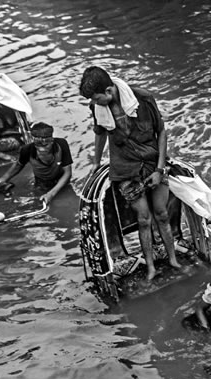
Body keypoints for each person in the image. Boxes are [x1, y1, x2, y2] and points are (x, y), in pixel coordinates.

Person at [79, 65, 179, 281]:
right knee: (144, 219)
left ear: (108, 91)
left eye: (97, 99)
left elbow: (160, 131)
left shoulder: (143, 98)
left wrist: (160, 170)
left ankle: (172, 258)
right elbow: (100, 134)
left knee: (162, 214)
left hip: (153, 163)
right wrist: (96, 163)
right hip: (125, 168)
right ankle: (151, 267)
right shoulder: (97, 108)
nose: (95, 104)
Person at [0, 122, 73, 205]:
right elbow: (18, 165)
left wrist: (51, 194)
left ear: (52, 141)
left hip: (62, 179)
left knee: (67, 199)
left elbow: (67, 173)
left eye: (46, 145)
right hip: (42, 183)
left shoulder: (62, 144)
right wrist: (2, 180)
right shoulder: (27, 150)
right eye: (39, 146)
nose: (42, 149)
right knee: (39, 202)